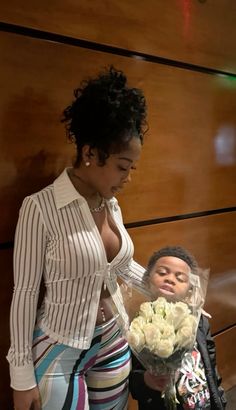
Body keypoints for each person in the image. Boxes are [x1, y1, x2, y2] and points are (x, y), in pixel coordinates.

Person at [7, 66, 148, 410]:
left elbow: (122, 268)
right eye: (122, 166)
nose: (127, 178)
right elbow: (24, 294)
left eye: (132, 168)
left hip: (114, 343)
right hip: (60, 351)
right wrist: (21, 376)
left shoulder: (111, 204)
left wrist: (178, 289)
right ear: (90, 153)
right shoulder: (40, 208)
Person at [129, 246, 227, 410]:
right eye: (162, 272)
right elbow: (132, 381)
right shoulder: (139, 326)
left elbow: (210, 362)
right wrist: (147, 380)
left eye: (180, 278)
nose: (170, 279)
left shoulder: (198, 320)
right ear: (146, 280)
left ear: (189, 291)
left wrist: (220, 399)